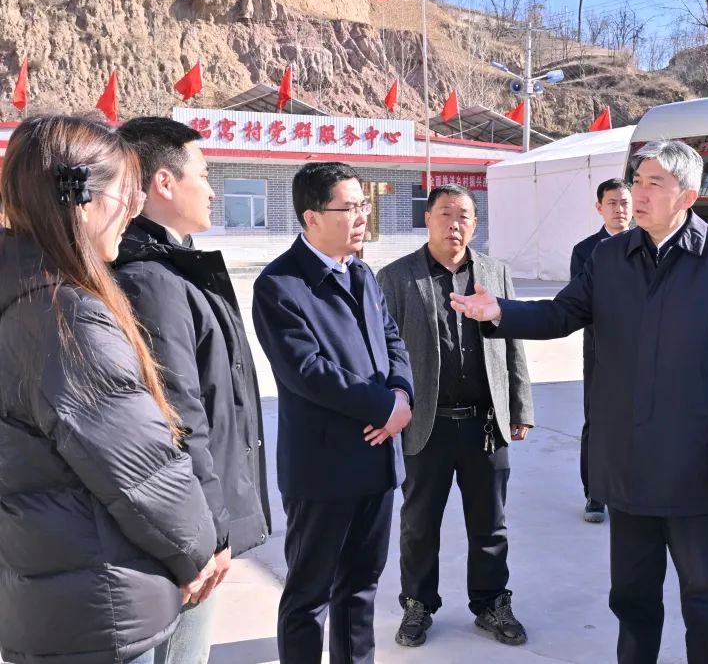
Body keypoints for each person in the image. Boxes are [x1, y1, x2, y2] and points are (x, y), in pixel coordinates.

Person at [451, 139, 708, 664]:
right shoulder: (611, 256)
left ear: (688, 195)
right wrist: (499, 311)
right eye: (637, 182)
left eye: (654, 183)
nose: (639, 194)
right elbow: (561, 313)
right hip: (627, 460)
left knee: (705, 593)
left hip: (695, 462)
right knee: (632, 596)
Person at [0, 116, 217, 664]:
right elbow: (143, 471)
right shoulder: (63, 315)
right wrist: (198, 547)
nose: (133, 209)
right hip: (100, 607)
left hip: (53, 592)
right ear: (82, 201)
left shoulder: (23, 291)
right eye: (127, 194)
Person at [113, 117, 272, 664]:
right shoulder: (151, 279)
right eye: (203, 175)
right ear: (163, 182)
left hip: (194, 514)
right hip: (188, 524)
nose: (212, 189)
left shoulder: (173, 268)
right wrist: (210, 527)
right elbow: (179, 415)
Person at [252, 162, 414, 664]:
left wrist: (401, 394)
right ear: (313, 217)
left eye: (365, 204)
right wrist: (384, 407)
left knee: (361, 590)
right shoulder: (280, 285)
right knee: (309, 597)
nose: (363, 216)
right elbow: (307, 371)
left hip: (378, 461)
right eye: (350, 208)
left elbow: (392, 340)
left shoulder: (361, 273)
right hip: (323, 470)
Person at [377, 184, 533, 648]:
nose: (455, 224)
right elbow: (382, 353)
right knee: (419, 524)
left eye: (464, 215)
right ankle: (418, 604)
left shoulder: (494, 273)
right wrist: (387, 408)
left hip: (485, 423)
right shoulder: (397, 278)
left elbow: (513, 343)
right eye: (445, 213)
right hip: (426, 424)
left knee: (490, 523)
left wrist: (520, 406)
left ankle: (491, 602)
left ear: (475, 223)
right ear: (427, 219)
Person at [570, 178, 633, 524]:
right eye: (612, 203)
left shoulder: (649, 244)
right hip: (600, 350)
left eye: (625, 203)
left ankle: (632, 489)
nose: (619, 209)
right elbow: (581, 303)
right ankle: (595, 494)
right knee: (598, 421)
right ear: (599, 208)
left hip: (643, 351)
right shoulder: (585, 251)